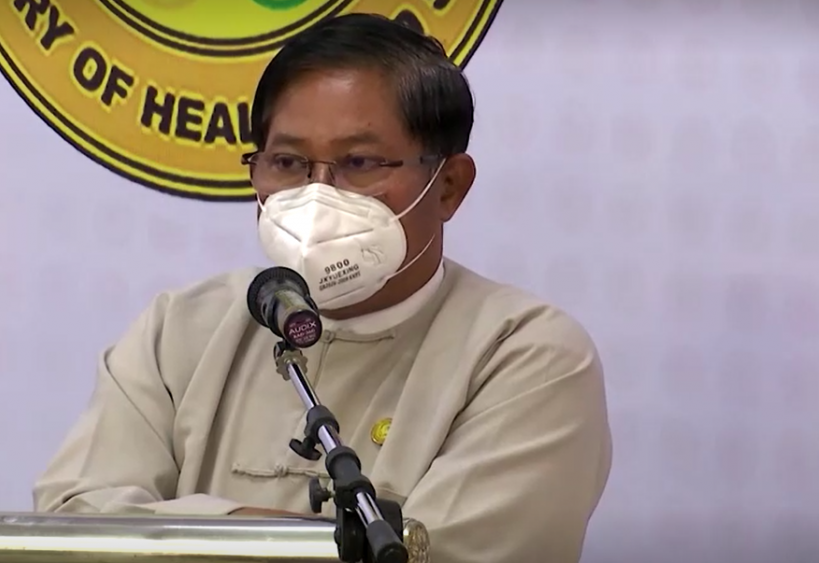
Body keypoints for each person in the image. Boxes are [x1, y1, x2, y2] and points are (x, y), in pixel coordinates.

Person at [34, 13, 612, 563]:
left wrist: (184, 530)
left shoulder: (527, 356)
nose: (317, 196)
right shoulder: (180, 328)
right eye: (288, 163)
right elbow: (72, 525)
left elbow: (438, 554)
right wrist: (287, 537)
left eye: (359, 162)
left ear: (448, 187)